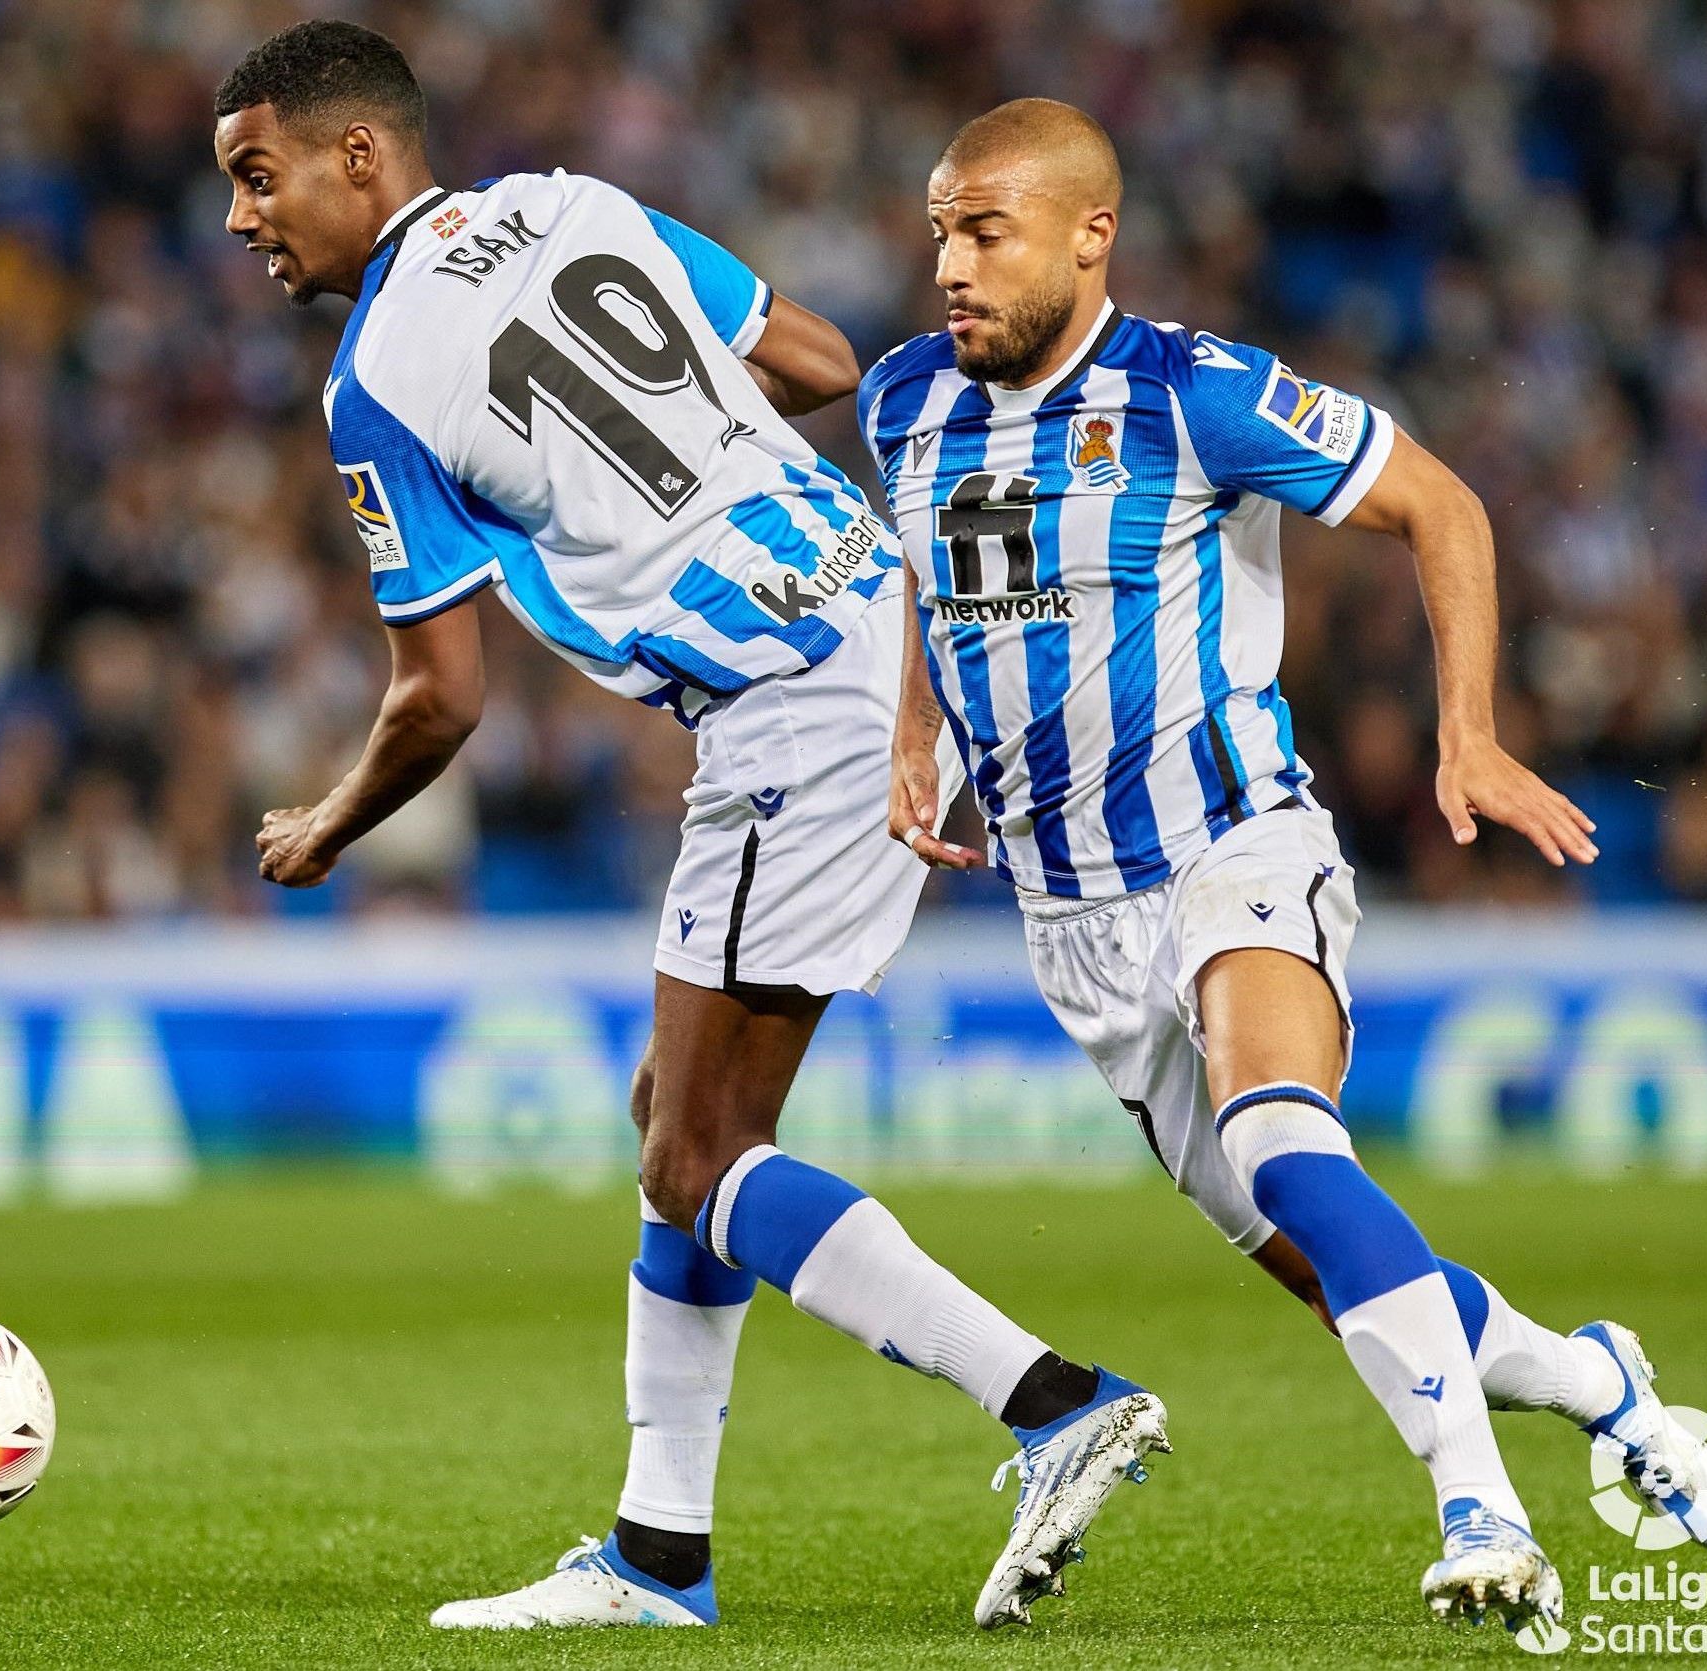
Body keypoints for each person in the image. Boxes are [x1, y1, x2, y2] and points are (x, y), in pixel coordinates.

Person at [215, 24, 1162, 1634]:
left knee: (694, 1149)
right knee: (684, 1120)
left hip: (792, 705)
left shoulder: (372, 382)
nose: (243, 218)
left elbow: (439, 699)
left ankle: (1052, 1400)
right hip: (887, 629)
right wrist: (698, 482)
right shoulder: (578, 206)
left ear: (356, 156)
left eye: (257, 175)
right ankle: (660, 1553)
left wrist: (326, 825)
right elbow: (812, 359)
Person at [862, 98, 1707, 1637]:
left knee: (1284, 1139)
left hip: (1233, 843)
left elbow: (1440, 503)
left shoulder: (1192, 391)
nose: (949, 261)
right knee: (1325, 1255)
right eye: (940, 225)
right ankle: (1598, 1378)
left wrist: (1467, 734)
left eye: (984, 229)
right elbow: (931, 581)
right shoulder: (901, 403)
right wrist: (911, 734)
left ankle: (1482, 1510)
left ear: (1093, 236)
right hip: (1068, 921)